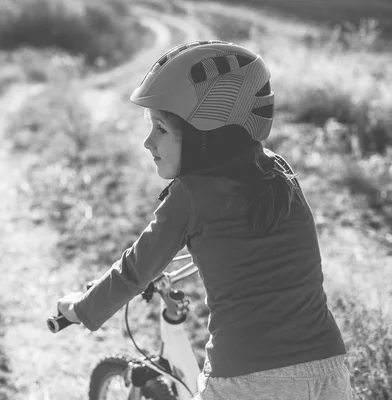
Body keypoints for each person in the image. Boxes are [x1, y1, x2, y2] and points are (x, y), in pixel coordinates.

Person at [56, 40, 354, 399]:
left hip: (248, 379)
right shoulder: (277, 172)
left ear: (204, 135)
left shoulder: (190, 194)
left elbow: (135, 270)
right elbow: (256, 250)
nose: (147, 143)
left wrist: (79, 308)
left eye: (162, 130)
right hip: (327, 370)